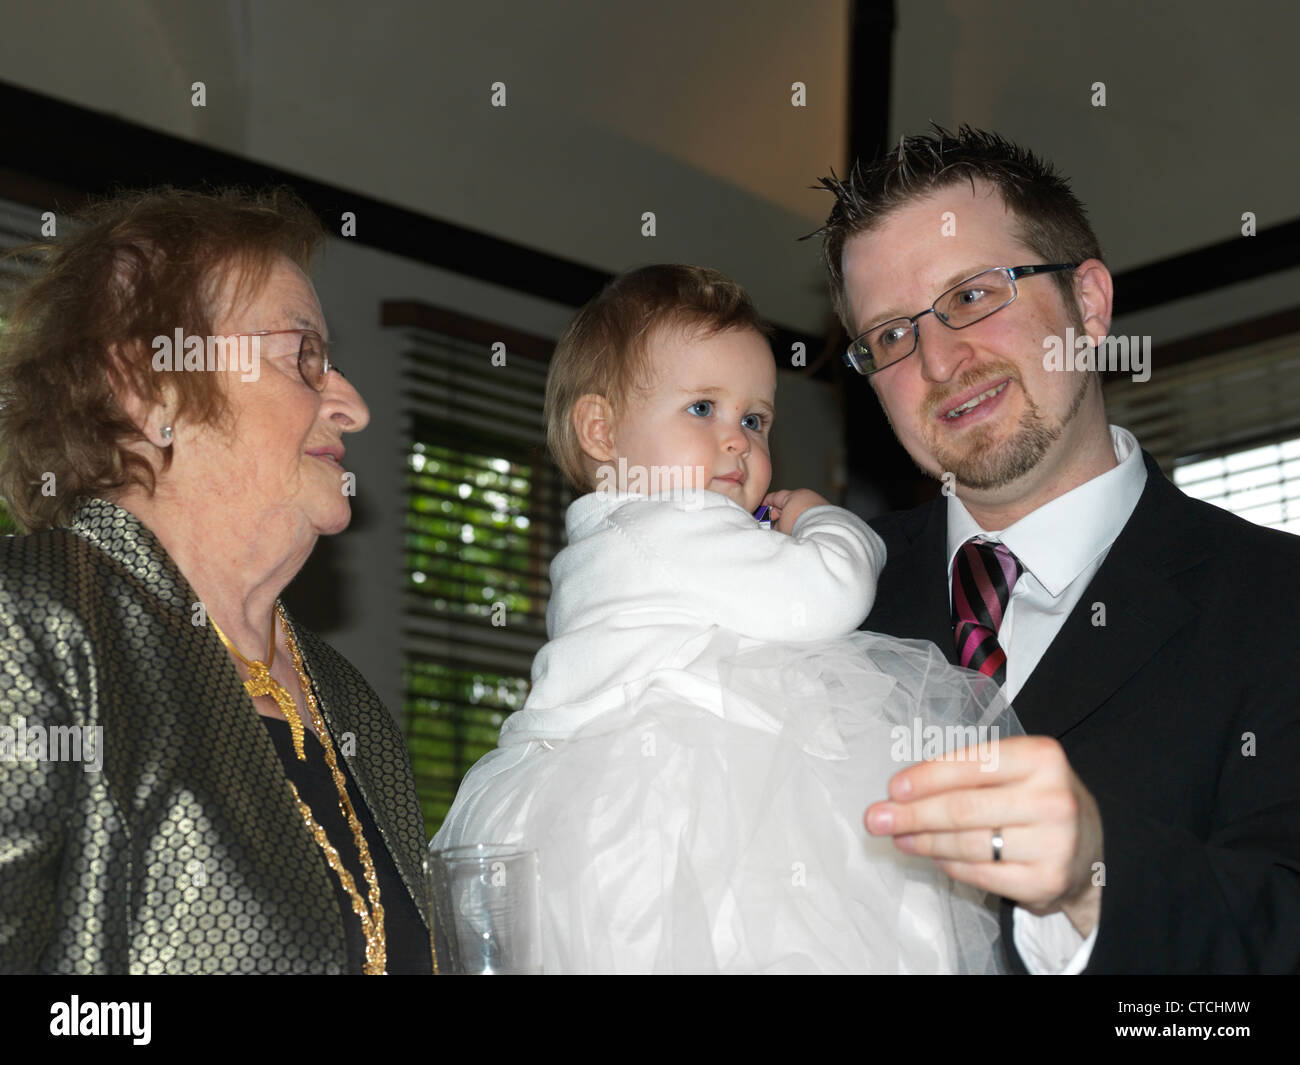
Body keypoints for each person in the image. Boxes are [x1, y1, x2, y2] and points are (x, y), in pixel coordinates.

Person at [433, 264, 1019, 973]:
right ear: (601, 429)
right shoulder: (671, 520)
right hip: (694, 801)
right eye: (702, 409)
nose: (738, 440)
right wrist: (827, 523)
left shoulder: (604, 540)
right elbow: (823, 596)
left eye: (754, 419)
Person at [816, 124, 1300, 973]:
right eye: (890, 335)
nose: (937, 360)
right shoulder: (821, 601)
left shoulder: (1276, 603)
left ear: (1091, 305)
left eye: (972, 296)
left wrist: (1092, 883)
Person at [0, 186, 432, 974]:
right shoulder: (28, 625)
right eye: (302, 357)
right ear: (149, 384)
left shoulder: (348, 700)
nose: (353, 405)